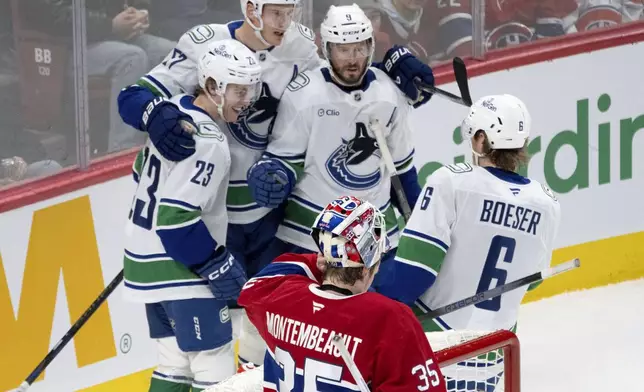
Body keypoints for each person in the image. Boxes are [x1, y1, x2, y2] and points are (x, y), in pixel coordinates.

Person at [117, 0, 436, 368]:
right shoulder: (204, 43)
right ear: (252, 9)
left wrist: (389, 68)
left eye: (291, 11)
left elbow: (341, 87)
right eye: (275, 12)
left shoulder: (299, 46)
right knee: (209, 345)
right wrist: (153, 112)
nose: (284, 22)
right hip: (212, 216)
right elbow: (133, 95)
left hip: (268, 214)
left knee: (266, 322)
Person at [247, 4, 420, 296]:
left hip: (374, 233)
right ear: (327, 49)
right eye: (343, 50)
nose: (352, 59)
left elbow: (402, 170)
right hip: (312, 233)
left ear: (371, 46)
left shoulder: (389, 93)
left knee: (380, 319)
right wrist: (274, 175)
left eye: (359, 48)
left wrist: (420, 225)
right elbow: (284, 160)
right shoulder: (304, 94)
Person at [121, 39, 262, 392]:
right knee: (214, 365)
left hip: (144, 263)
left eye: (251, 89)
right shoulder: (209, 140)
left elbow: (141, 176)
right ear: (213, 86)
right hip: (180, 269)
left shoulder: (171, 115)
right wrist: (215, 261)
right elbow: (175, 221)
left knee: (173, 365)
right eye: (239, 91)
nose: (247, 101)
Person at [377, 94, 561, 333]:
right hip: (496, 355)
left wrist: (371, 276)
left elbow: (410, 277)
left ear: (480, 139)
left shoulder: (452, 183)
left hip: (434, 350)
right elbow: (531, 282)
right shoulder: (546, 203)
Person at [237, 196, 448, 392]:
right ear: (368, 267)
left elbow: (260, 283)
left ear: (322, 255)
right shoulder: (390, 319)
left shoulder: (279, 295)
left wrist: (325, 258)